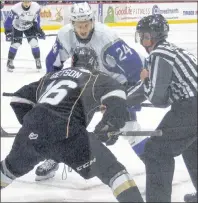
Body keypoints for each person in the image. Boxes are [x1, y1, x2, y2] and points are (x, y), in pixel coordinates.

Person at [1, 47, 144, 202]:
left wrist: (34, 125)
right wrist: (110, 124)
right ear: (94, 64)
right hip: (69, 136)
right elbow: (118, 96)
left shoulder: (50, 77)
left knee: (7, 170)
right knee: (113, 171)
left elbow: (18, 99)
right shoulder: (95, 77)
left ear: (73, 61)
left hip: (29, 135)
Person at [36, 1, 149, 181]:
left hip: (117, 82)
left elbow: (137, 73)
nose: (83, 29)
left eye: (86, 25)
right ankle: (53, 157)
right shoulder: (66, 35)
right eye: (79, 25)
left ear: (93, 21)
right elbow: (53, 65)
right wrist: (54, 89)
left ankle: (155, 162)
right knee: (62, 121)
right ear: (72, 24)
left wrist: (121, 105)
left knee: (128, 128)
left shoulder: (107, 39)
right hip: (87, 82)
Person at [133, 14, 197, 202]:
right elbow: (153, 94)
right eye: (141, 36)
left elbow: (156, 99)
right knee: (192, 146)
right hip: (193, 106)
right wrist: (121, 99)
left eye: (146, 35)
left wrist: (145, 80)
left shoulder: (159, 54)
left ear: (156, 36)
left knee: (156, 150)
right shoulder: (171, 50)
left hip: (190, 107)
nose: (143, 40)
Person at [4, 0, 45, 72]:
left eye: (28, 2)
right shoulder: (15, 8)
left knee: (34, 43)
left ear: (31, 2)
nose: (26, 4)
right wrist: (8, 32)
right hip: (17, 27)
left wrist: (39, 31)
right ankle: (10, 61)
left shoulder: (36, 7)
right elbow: (8, 21)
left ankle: (37, 60)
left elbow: (37, 21)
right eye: (25, 2)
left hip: (29, 26)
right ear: (22, 1)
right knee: (15, 44)